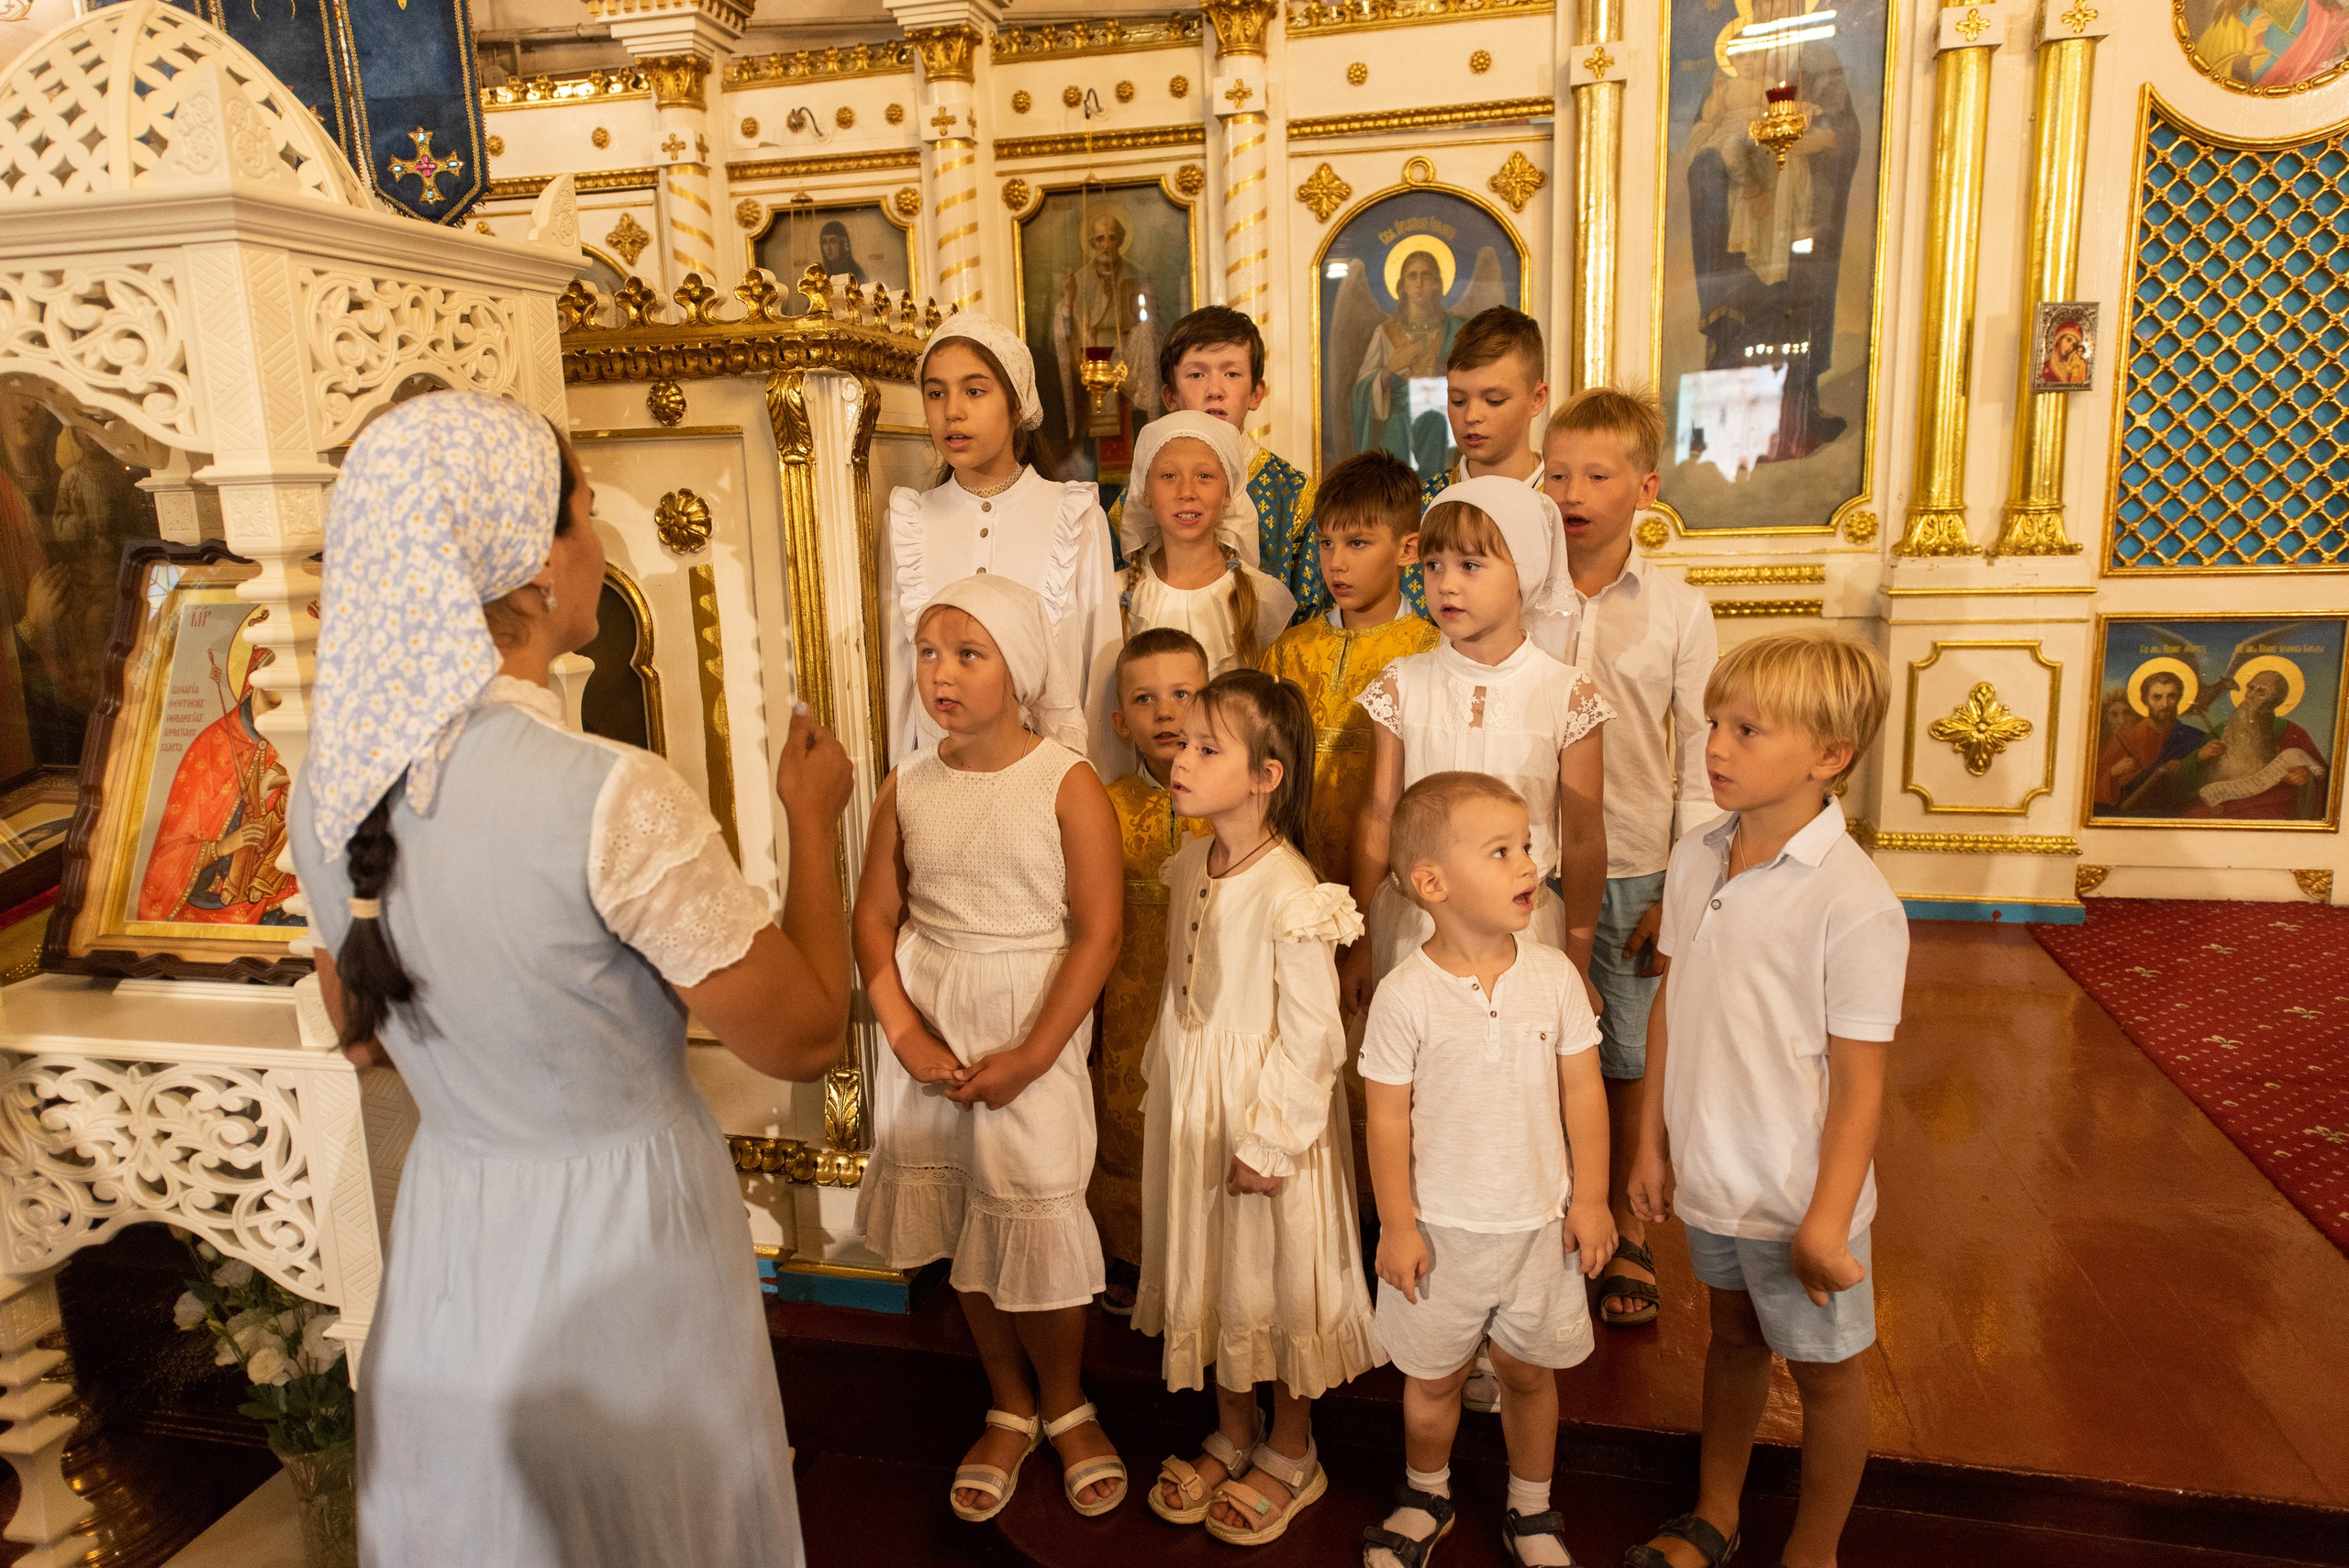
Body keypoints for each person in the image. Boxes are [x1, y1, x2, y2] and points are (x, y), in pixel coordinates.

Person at [292, 391, 857, 1568]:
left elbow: (367, 1028)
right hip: (620, 1246)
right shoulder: (607, 794)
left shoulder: (328, 786)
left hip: (454, 1229)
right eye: (586, 514)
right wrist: (815, 823)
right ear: (538, 565)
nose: (599, 542)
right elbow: (803, 1034)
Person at [1624, 632, 1906, 1568]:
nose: (1715, 744)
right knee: (1733, 1336)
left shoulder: (1852, 901)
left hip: (1798, 1192)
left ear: (1829, 754)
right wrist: (1651, 1142)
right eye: (1714, 721)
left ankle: (1813, 1550)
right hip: (1714, 1170)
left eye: (1747, 729)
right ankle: (1716, 1511)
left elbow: (1860, 1081)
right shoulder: (1696, 855)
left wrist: (1826, 1218)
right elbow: (1671, 1000)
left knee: (1826, 1373)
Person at [852, 573, 1130, 1524]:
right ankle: (1008, 1400)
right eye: (928, 653)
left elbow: (1098, 932)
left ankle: (1067, 1399)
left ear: (1017, 670)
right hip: (934, 1031)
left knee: (1033, 1207)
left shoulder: (1065, 781)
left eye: (968, 655)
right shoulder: (907, 783)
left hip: (1028, 1027)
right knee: (967, 1213)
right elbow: (873, 916)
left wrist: (1033, 1054)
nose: (941, 673)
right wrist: (903, 1031)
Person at [1345, 477, 1611, 1416]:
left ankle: (1513, 1301)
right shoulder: (1404, 683)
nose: (1445, 584)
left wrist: (1579, 949)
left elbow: (1584, 831)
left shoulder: (1564, 691)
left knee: (1518, 1102)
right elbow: (1378, 813)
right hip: (1415, 928)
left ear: (1526, 569)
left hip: (1523, 928)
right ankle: (1424, 1274)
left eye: (1471, 563)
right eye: (1433, 565)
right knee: (1420, 1100)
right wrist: (1357, 927)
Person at [1138, 669, 1380, 1544]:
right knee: (1218, 1270)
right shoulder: (1193, 862)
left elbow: (1315, 1036)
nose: (1182, 758)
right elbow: (1183, 995)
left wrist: (1271, 1140)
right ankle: (1234, 1429)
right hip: (1201, 1111)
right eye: (1183, 742)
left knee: (1272, 1274)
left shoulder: (1293, 891)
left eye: (1208, 748)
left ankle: (1292, 1445)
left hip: (1267, 1120)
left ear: (1265, 775)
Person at [1358, 773, 1613, 1568]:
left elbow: (1584, 1092)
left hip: (1538, 1225)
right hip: (1441, 1230)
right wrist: (1397, 1225)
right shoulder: (1405, 994)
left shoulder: (1554, 977)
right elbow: (1385, 1118)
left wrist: (1592, 1199)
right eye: (1501, 851)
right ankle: (1425, 1491)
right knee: (1432, 1380)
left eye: (1527, 845)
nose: (1528, 864)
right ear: (1432, 883)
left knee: (1528, 1373)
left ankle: (1530, 1506)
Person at [1539, 388, 1723, 1329]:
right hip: (1528, 860)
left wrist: (1683, 890)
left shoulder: (1679, 611)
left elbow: (1701, 754)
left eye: (1596, 475)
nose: (1571, 492)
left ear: (1646, 488)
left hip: (1635, 862)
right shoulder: (1517, 592)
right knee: (1535, 1045)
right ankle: (1547, 1209)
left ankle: (1626, 1221)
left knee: (1623, 1050)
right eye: (1556, 473)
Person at [880, 309, 1117, 765]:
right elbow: (901, 686)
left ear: (1017, 403)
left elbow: (1101, 674)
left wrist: (1098, 793)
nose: (952, 411)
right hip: (942, 784)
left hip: (1052, 782)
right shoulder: (910, 523)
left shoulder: (1074, 516)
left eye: (974, 391)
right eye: (936, 393)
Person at [1089, 627, 1213, 1315]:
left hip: (1211, 1006)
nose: (1165, 712)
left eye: (1182, 694)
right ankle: (1131, 1251)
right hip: (1129, 1008)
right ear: (1120, 721)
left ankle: (1205, 1256)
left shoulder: (1234, 804)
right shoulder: (1103, 804)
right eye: (1144, 699)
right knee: (1127, 1112)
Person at [1093, 413, 1295, 773]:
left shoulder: (1263, 598)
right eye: (1168, 476)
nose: (1186, 492)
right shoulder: (1114, 595)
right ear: (1145, 493)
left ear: (1228, 493)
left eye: (1204, 476)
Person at [1151, 305, 1327, 619]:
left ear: (1256, 393)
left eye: (1231, 374)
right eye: (1196, 375)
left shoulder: (1295, 495)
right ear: (1170, 397)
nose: (1214, 391)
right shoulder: (1144, 494)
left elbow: (1311, 620)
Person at [136, 606, 299, 926]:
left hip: (280, 900)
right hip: (208, 907)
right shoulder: (213, 746)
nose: (291, 679)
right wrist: (225, 845)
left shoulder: (301, 741)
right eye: (281, 666)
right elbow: (165, 863)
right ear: (256, 671)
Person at [1052, 209, 1163, 450]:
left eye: (1112, 238)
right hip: (1094, 361)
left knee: (1133, 431)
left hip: (1130, 358)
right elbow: (1066, 330)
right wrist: (1068, 302)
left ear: (1121, 240)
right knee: (1096, 441)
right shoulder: (1079, 279)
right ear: (1092, 243)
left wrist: (1142, 320)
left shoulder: (1137, 275)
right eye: (1100, 239)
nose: (1106, 245)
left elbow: (1151, 322)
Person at [1353, 248, 1464, 487]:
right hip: (1398, 429)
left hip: (1439, 429)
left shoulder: (1456, 331)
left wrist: (1445, 371)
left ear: (1438, 283)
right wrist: (1388, 370)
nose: (1419, 284)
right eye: (1412, 276)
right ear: (1402, 285)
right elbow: (1361, 388)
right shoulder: (1385, 333)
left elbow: (1476, 381)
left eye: (1426, 275)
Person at [1428, 306, 1553, 499]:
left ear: (1537, 399)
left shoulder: (1565, 503)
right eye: (1458, 401)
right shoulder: (1423, 505)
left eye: (1494, 401)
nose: (1471, 416)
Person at [2178, 667, 2330, 819]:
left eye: (2261, 692)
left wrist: (2304, 777)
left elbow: (2323, 780)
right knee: (2192, 816)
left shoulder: (2290, 731)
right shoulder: (2220, 730)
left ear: (2274, 701)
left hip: (2266, 805)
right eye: (2250, 688)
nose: (2250, 696)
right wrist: (2199, 756)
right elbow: (2189, 782)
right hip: (2220, 803)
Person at [2092, 668, 2206, 816]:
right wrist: (2113, 773)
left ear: (2179, 698)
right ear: (2145, 700)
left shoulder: (2194, 737)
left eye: (2171, 696)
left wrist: (2188, 764)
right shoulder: (2124, 739)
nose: (2165, 704)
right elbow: (2091, 790)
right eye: (2157, 697)